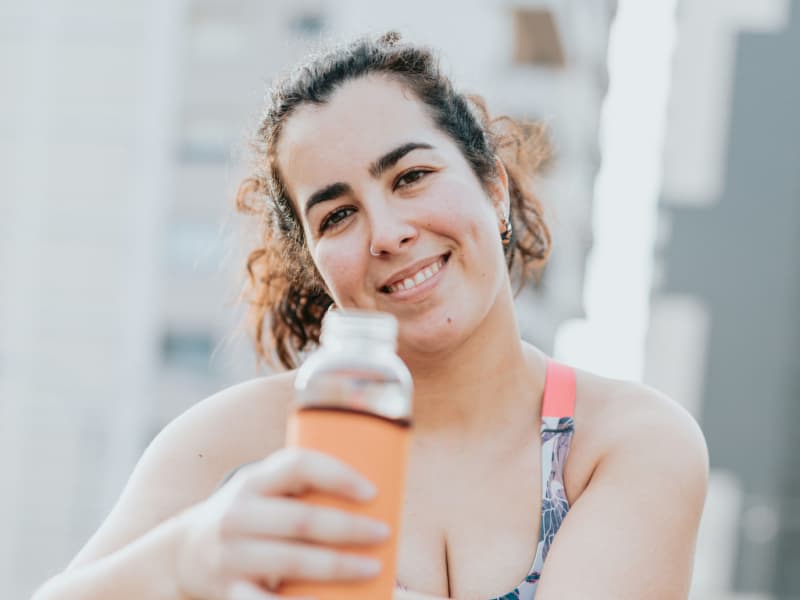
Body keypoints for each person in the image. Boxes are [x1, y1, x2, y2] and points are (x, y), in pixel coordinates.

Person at [34, 31, 709, 600]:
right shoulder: (241, 442)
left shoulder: (624, 443)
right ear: (317, 266)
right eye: (338, 214)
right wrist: (186, 561)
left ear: (493, 190)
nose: (386, 232)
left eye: (411, 176)